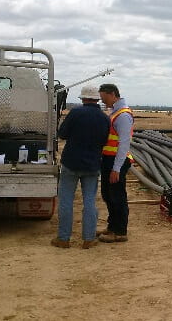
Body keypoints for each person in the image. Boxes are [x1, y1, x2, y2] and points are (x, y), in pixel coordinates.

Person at [51, 85, 110, 249]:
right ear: (97, 99)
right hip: (92, 165)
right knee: (90, 201)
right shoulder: (105, 118)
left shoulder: (75, 113)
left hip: (71, 163)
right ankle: (89, 239)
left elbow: (62, 133)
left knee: (66, 201)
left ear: (83, 99)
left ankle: (63, 239)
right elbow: (105, 141)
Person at [97, 83, 134, 243]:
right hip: (109, 159)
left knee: (117, 196)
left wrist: (116, 169)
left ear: (112, 94)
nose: (104, 102)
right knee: (108, 194)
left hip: (116, 161)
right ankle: (112, 226)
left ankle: (119, 231)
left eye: (104, 99)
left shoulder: (123, 115)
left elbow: (124, 143)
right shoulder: (115, 112)